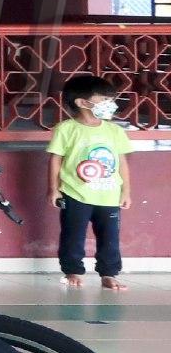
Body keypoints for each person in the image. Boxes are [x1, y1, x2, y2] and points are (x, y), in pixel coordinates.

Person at [49, 75, 134, 291]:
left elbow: (122, 161)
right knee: (73, 235)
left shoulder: (114, 131)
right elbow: (55, 159)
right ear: (82, 102)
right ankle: (72, 271)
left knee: (110, 237)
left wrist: (126, 191)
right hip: (74, 193)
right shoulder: (66, 129)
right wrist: (53, 189)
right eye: (104, 99)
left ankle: (109, 273)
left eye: (110, 99)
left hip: (109, 195)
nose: (110, 104)